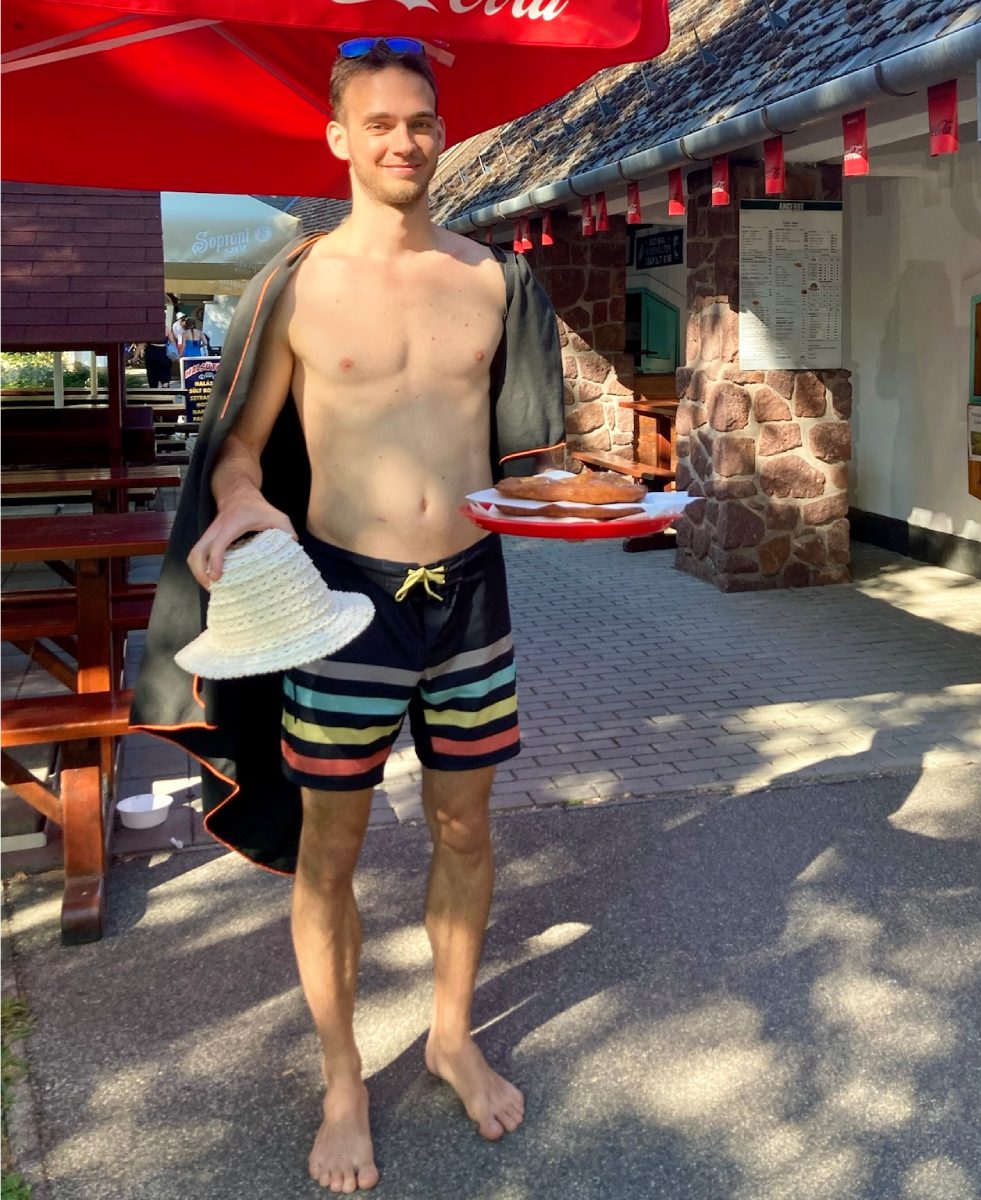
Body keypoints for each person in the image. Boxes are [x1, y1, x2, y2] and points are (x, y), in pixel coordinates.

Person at [130, 37, 564, 1195]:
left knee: (466, 831)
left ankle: (451, 1036)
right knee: (334, 847)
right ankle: (338, 1080)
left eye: (420, 119)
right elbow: (237, 445)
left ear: (441, 128)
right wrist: (234, 509)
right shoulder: (299, 281)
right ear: (338, 138)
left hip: (469, 594)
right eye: (379, 121)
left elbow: (530, 460)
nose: (404, 140)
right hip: (340, 609)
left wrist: (595, 497)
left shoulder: (494, 276)